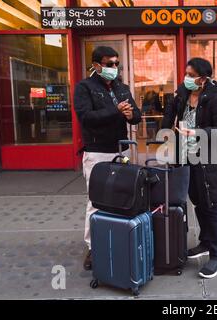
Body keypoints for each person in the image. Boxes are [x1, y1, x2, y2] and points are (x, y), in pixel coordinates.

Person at [162, 58, 217, 279]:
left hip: (209, 160)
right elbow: (171, 114)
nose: (186, 78)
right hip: (186, 157)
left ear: (202, 79)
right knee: (197, 201)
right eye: (185, 73)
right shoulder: (184, 92)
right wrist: (168, 128)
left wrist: (197, 133)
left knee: (211, 204)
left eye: (190, 74)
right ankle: (205, 242)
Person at [73, 46, 142, 271]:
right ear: (96, 65)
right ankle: (94, 247)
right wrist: (116, 111)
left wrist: (132, 116)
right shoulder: (85, 87)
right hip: (97, 151)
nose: (114, 67)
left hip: (121, 151)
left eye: (116, 63)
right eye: (109, 63)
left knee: (121, 198)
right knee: (96, 201)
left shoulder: (121, 87)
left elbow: (135, 116)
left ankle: (117, 238)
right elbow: (86, 117)